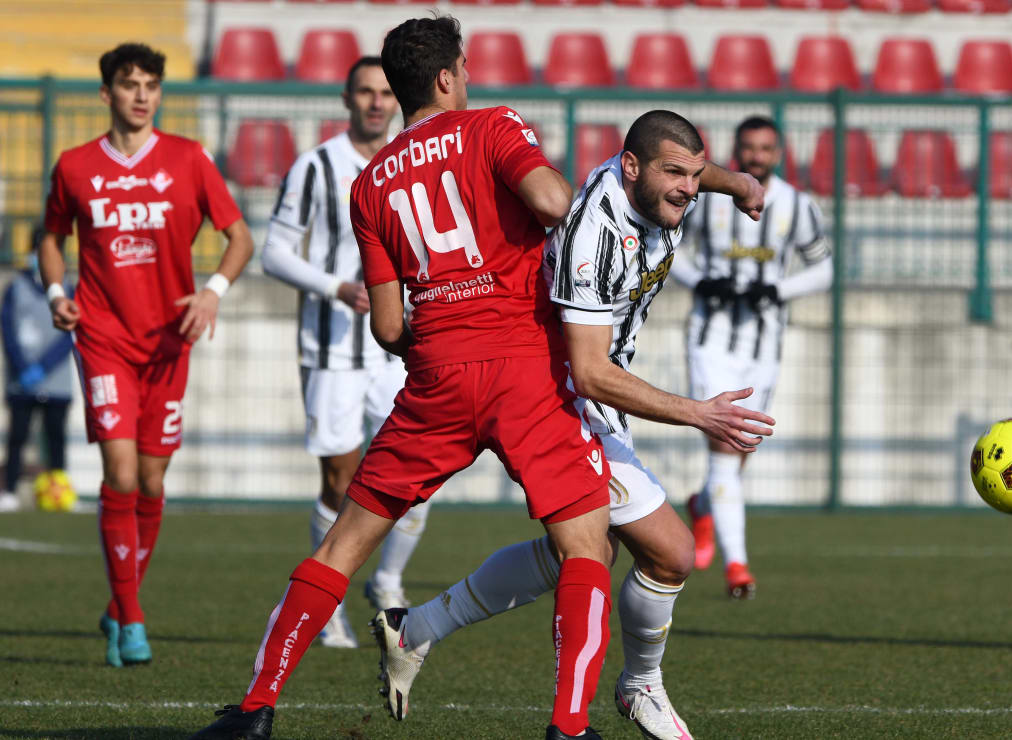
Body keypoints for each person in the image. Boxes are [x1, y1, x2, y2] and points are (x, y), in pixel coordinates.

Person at [189, 17, 660, 740]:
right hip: (523, 367)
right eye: (463, 68)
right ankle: (569, 727)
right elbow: (552, 202)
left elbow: (384, 325)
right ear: (447, 77)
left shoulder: (371, 181)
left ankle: (254, 709)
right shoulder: (491, 125)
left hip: (435, 371)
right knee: (584, 547)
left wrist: (436, 338)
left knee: (341, 545)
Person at [368, 111, 770, 740]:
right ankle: (638, 688)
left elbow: (685, 165)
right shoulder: (594, 234)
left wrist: (737, 183)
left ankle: (412, 629)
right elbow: (589, 372)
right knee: (668, 552)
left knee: (587, 554)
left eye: (694, 177)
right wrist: (698, 412)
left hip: (591, 394)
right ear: (632, 168)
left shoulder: (661, 186)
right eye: (677, 176)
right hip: (563, 397)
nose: (688, 189)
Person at [38, 43, 253, 667]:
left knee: (154, 480)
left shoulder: (188, 160)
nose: (141, 94)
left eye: (151, 84)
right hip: (103, 339)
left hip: (169, 343)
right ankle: (130, 617)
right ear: (106, 94)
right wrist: (58, 292)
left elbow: (238, 236)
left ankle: (118, 604)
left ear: (160, 93)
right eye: (129, 84)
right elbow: (50, 240)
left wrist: (211, 293)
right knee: (122, 476)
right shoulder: (75, 166)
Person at [260, 56, 427, 648]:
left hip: (400, 350)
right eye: (365, 92)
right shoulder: (316, 167)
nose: (376, 102)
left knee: (416, 475)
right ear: (346, 98)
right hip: (330, 348)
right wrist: (335, 287)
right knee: (339, 480)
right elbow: (274, 252)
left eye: (385, 92)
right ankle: (326, 603)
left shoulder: (415, 162)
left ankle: (387, 581)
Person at [673, 116, 832, 599]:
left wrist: (778, 288)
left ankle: (703, 506)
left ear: (778, 152)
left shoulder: (798, 207)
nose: (756, 156)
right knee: (725, 451)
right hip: (710, 339)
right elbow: (669, 247)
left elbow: (824, 268)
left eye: (765, 148)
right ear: (736, 149)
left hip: (764, 347)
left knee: (736, 454)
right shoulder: (706, 199)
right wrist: (699, 280)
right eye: (749, 147)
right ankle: (737, 565)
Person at [2, 236, 75, 512]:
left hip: (56, 381)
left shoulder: (68, 287)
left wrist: (44, 366)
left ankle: (60, 490)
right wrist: (22, 367)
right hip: (22, 380)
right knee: (17, 436)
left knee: (56, 437)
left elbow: (71, 333)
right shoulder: (16, 287)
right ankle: (8, 490)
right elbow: (7, 329)